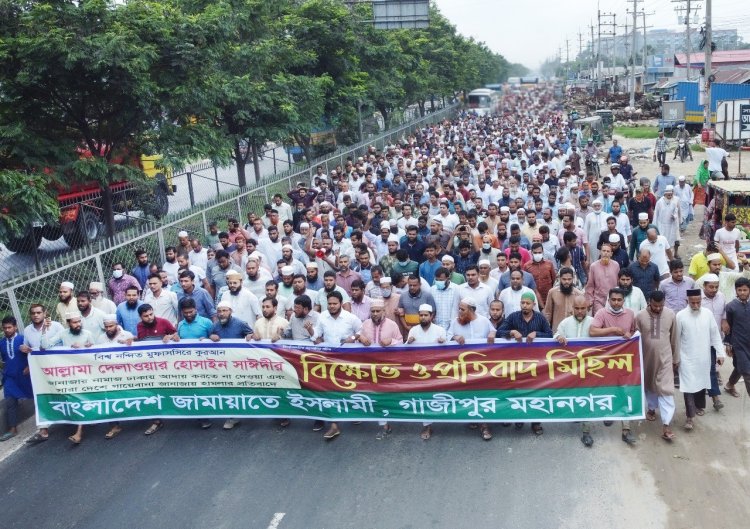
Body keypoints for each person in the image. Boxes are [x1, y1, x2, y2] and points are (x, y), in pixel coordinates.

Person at [496, 291, 552, 437]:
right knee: (517, 391)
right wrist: (512, 332)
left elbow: (550, 335)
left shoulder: (539, 318)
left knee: (535, 392)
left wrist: (536, 334)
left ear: (534, 304)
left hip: (536, 365)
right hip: (516, 363)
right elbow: (499, 332)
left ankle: (535, 422)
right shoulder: (514, 316)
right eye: (522, 303)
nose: (524, 306)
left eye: (527, 303)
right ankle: (519, 418)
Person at [312, 291, 362, 440]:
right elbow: (316, 335)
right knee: (330, 390)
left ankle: (353, 412)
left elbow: (360, 331)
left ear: (341, 303)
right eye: (330, 304)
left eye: (335, 304)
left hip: (347, 359)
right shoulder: (322, 317)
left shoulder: (350, 318)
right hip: (328, 360)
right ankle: (334, 425)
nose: (332, 306)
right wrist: (314, 336)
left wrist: (351, 338)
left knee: (348, 387)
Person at [589, 288, 637, 445]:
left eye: (619, 300)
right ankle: (608, 414)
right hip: (604, 360)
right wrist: (612, 330)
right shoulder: (601, 313)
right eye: (613, 300)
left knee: (625, 391)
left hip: (623, 359)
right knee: (606, 389)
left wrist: (630, 334)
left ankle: (626, 430)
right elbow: (592, 331)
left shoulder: (630, 313)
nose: (616, 302)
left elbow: (633, 331)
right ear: (608, 300)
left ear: (624, 300)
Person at [676, 289, 725, 431]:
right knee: (688, 386)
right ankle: (690, 417)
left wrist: (721, 353)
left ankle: (699, 406)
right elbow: (676, 339)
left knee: (701, 383)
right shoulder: (680, 316)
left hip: (704, 357)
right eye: (693, 303)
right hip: (686, 358)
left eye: (698, 302)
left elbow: (715, 334)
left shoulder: (708, 314)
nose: (696, 305)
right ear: (687, 301)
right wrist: (676, 358)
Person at [635, 291, 680, 442]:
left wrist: (676, 358)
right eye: (655, 305)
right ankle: (652, 409)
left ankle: (666, 425)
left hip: (666, 358)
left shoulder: (670, 314)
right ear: (649, 302)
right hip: (646, 359)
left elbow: (674, 338)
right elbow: (635, 339)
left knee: (666, 390)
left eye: (661, 305)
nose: (659, 308)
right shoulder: (640, 316)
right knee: (650, 386)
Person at [553, 295, 597, 447]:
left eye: (582, 308)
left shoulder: (594, 323)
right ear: (572, 308)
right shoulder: (565, 323)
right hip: (570, 369)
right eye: (576, 308)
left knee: (587, 396)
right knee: (573, 395)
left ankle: (586, 432)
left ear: (588, 308)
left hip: (589, 368)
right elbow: (557, 334)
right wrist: (558, 337)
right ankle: (575, 413)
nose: (579, 311)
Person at [406, 304, 446, 440]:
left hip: (437, 371)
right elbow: (405, 352)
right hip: (420, 372)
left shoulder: (440, 330)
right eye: (421, 315)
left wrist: (443, 343)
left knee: (439, 396)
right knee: (423, 398)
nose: (423, 317)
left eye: (426, 315)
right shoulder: (413, 331)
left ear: (432, 316)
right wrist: (409, 343)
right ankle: (427, 424)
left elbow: (447, 353)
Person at [1, 316, 33, 442]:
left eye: (9, 327)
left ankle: (46, 420)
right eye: (4, 328)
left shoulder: (23, 339)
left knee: (35, 396)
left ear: (15, 327)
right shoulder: (1, 343)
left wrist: (29, 366)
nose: (7, 330)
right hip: (10, 377)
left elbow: (34, 353)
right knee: (10, 402)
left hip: (25, 375)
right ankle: (12, 428)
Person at [700, 274, 727, 411]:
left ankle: (714, 396)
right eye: (711, 287)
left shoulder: (721, 296)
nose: (714, 289)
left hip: (715, 339)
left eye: (716, 287)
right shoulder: (697, 299)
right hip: (699, 340)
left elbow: (724, 313)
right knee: (705, 369)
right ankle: (710, 399)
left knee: (711, 368)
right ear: (704, 286)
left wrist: (724, 321)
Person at [724, 277, 750, 398]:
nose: (742, 293)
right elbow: (728, 327)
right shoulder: (731, 307)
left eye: (745, 290)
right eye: (739, 290)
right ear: (736, 290)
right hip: (738, 344)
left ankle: (729, 385)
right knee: (747, 372)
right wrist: (728, 344)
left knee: (740, 367)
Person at [543, 267, 583, 332]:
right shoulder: (552, 292)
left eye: (569, 279)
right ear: (560, 279)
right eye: (564, 279)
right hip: (557, 331)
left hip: (573, 330)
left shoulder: (578, 294)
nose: (567, 282)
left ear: (573, 279)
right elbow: (548, 313)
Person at [585, 243, 620, 315]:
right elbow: (590, 285)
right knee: (600, 321)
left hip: (613, 300)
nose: (605, 253)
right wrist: (590, 300)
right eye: (604, 251)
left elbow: (618, 283)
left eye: (608, 251)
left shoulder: (616, 265)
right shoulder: (593, 266)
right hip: (598, 300)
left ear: (611, 254)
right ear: (600, 252)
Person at [653, 185, 681, 257]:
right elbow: (656, 214)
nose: (670, 196)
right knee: (661, 242)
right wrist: (654, 226)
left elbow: (676, 212)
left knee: (671, 242)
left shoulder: (674, 202)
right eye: (668, 195)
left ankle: (669, 258)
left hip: (671, 226)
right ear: (665, 194)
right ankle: (662, 256)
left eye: (671, 195)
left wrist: (674, 216)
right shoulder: (659, 202)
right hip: (661, 225)